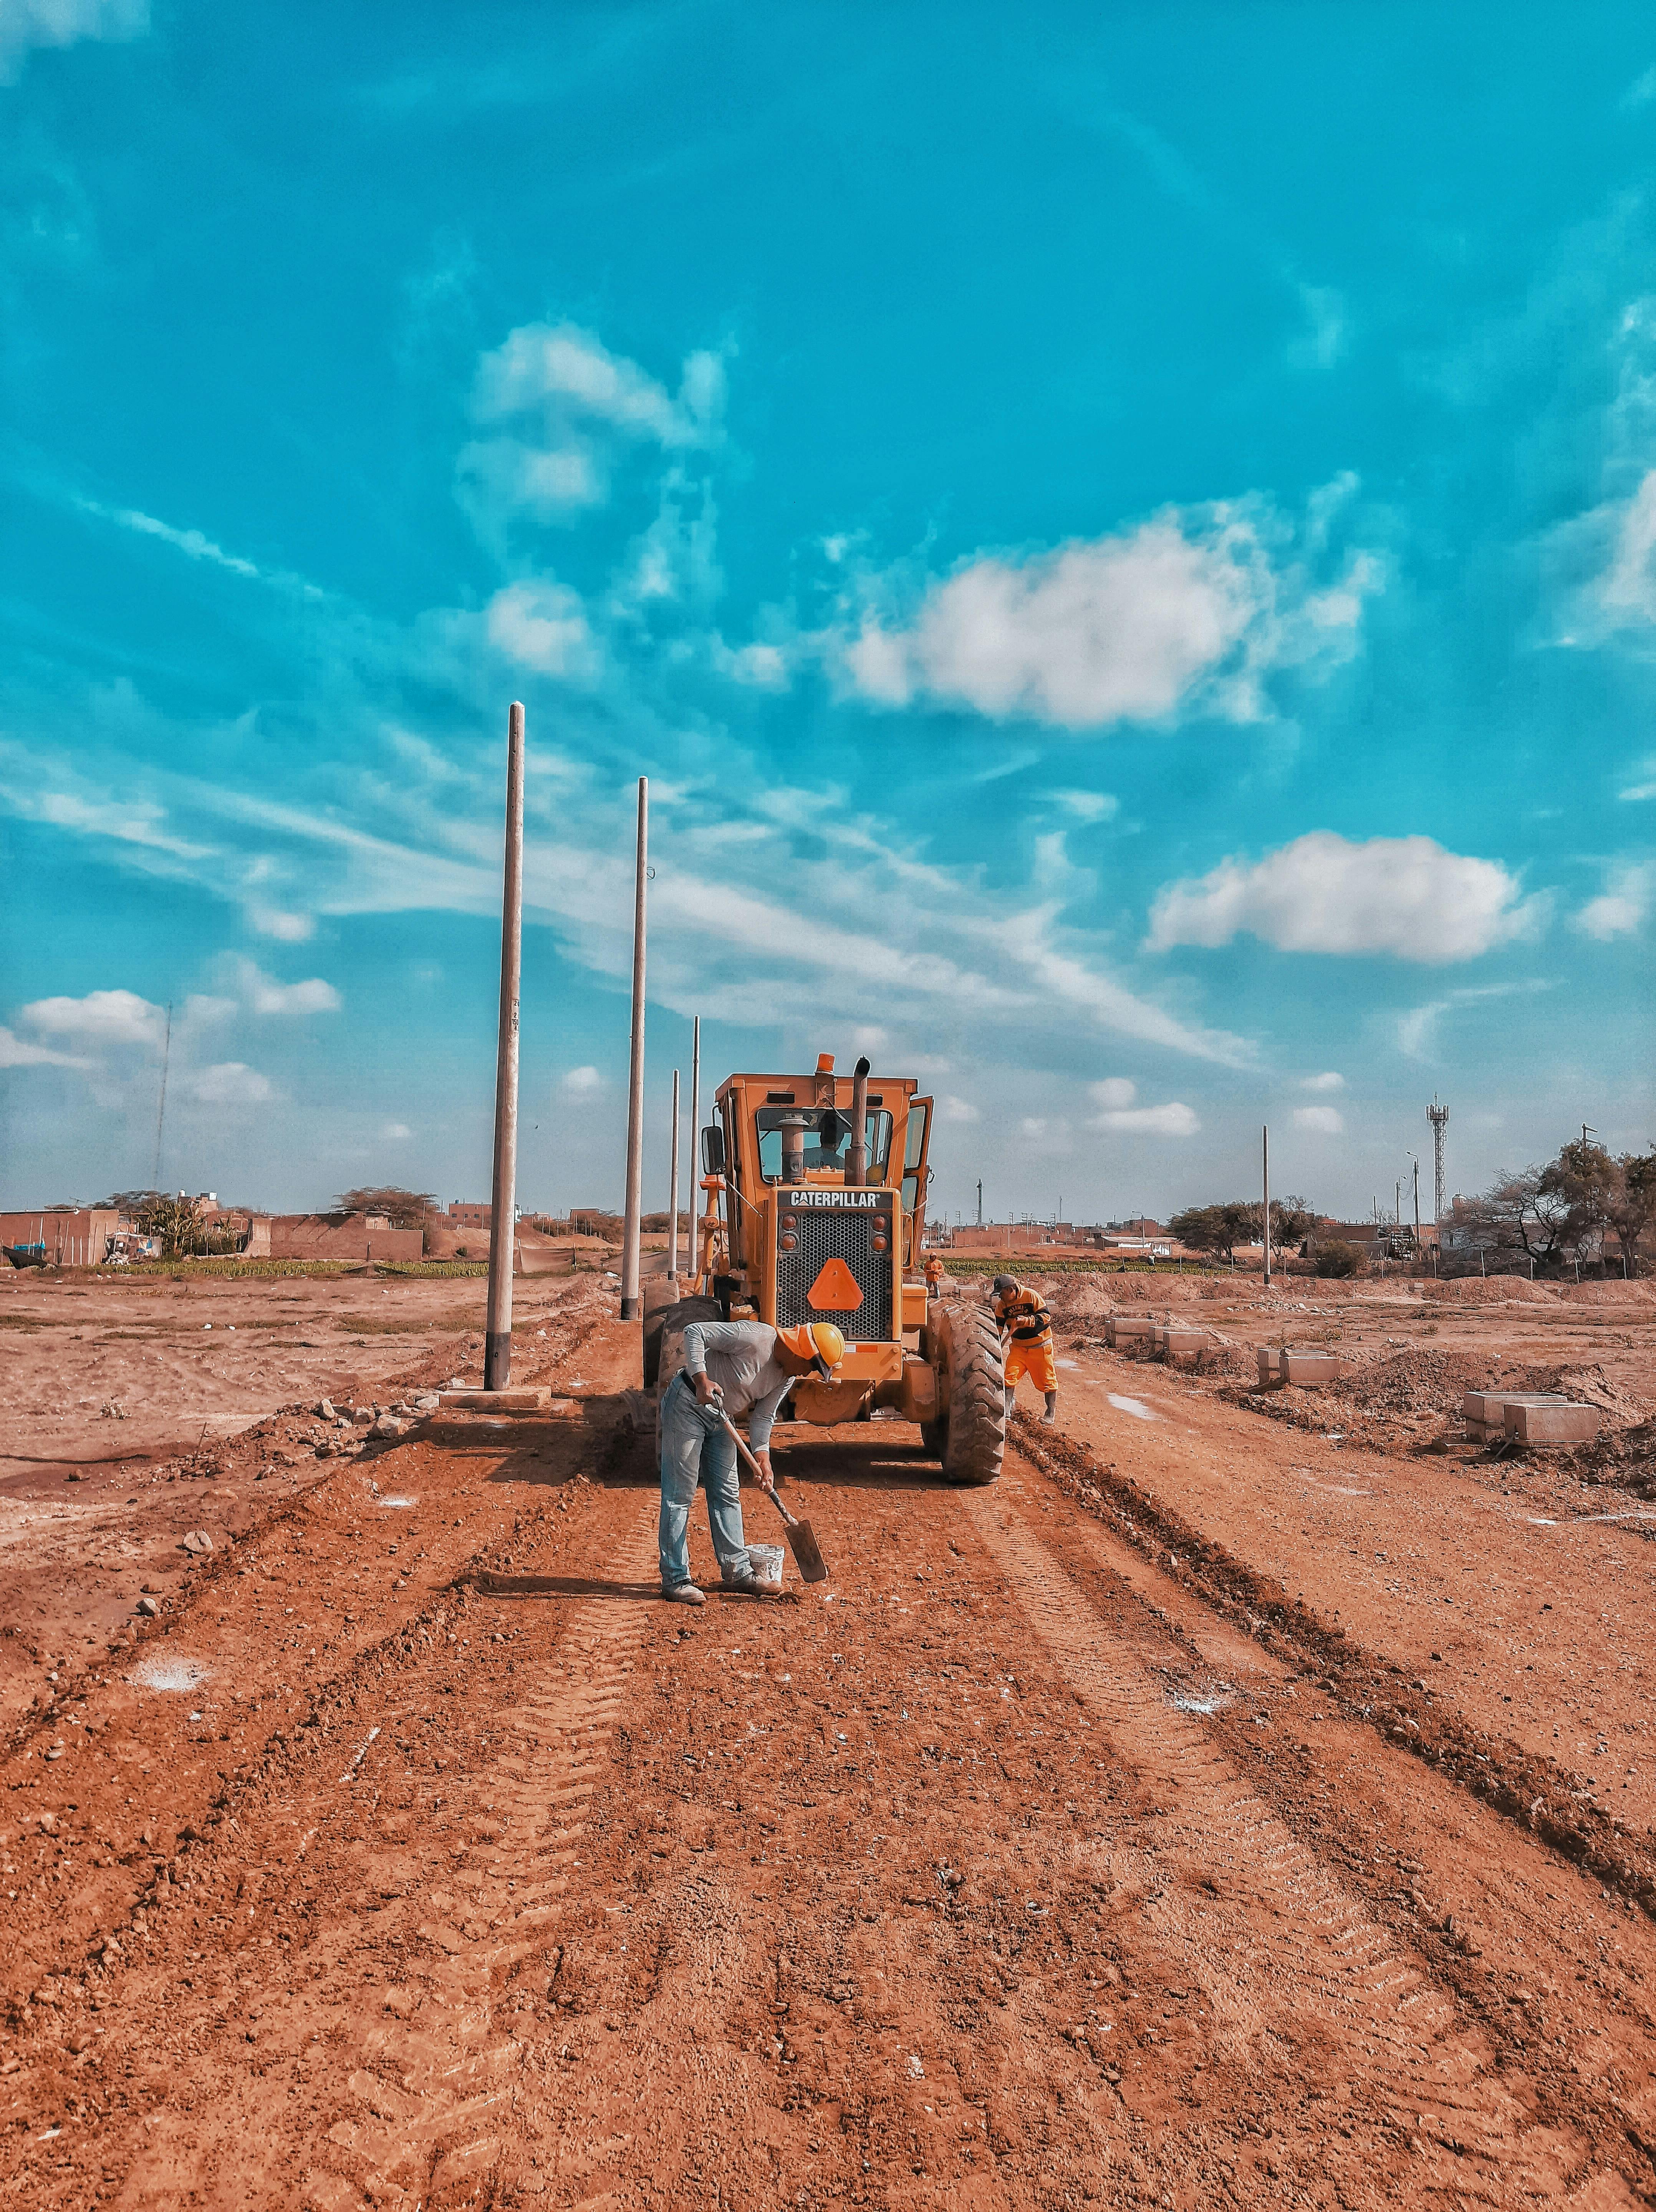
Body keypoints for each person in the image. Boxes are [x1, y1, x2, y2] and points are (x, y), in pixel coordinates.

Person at [658, 1318, 846, 1605]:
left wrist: (764, 1458)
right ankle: (676, 1579)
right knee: (680, 1494)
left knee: (727, 1495)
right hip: (688, 1405)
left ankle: (737, 1572)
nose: (809, 1373)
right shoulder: (754, 1337)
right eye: (812, 1366)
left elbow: (763, 1417)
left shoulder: (787, 1377)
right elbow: (695, 1331)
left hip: (722, 1419)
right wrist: (702, 1379)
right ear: (802, 1352)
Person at [991, 1273, 1057, 1425]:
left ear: (1011, 1289)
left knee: (1048, 1381)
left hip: (1040, 1346)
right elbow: (998, 1329)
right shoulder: (1002, 1307)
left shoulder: (1031, 1296)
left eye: (1001, 1293)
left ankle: (1050, 1414)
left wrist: (1027, 1321)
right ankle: (1006, 1409)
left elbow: (1046, 1318)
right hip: (1019, 1348)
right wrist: (994, 1344)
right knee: (1009, 1376)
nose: (1000, 1297)